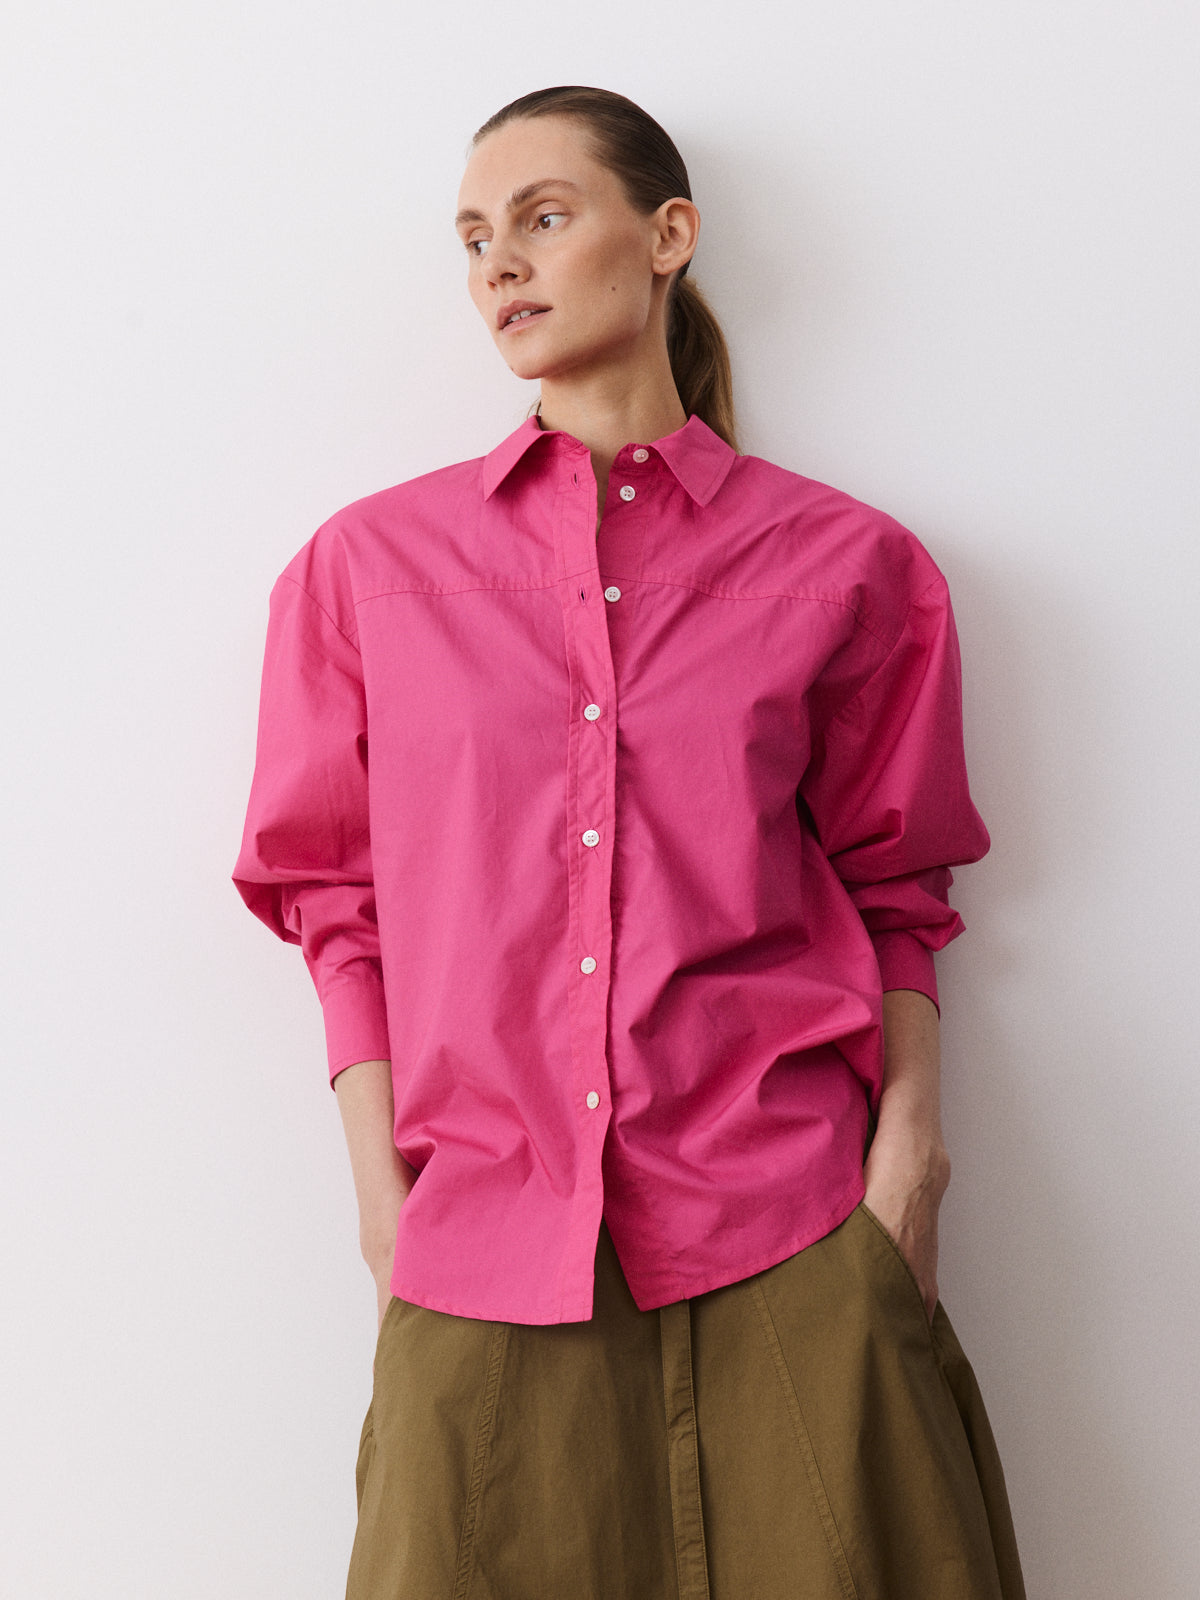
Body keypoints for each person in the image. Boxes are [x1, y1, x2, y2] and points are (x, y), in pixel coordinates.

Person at [233, 85, 1025, 1600]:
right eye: (475, 237)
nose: (500, 264)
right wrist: (387, 1217)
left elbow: (898, 886)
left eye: (543, 217)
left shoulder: (848, 565)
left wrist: (909, 1171)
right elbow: (337, 905)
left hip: (791, 1233)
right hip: (484, 1250)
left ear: (668, 237)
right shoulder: (365, 575)